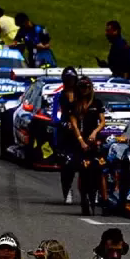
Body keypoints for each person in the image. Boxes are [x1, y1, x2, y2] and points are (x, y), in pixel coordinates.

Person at [68, 77, 107, 215]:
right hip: (80, 142)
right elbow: (74, 125)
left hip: (94, 141)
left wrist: (95, 133)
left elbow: (102, 122)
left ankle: (105, 200)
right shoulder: (74, 105)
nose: (84, 90)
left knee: (100, 169)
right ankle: (83, 198)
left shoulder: (97, 103)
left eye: (86, 87)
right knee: (81, 169)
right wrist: (81, 141)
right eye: (82, 87)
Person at [55, 67, 81, 205]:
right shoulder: (59, 96)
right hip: (65, 136)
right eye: (68, 80)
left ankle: (92, 193)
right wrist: (64, 124)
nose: (70, 83)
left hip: (80, 134)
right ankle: (67, 191)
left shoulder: (82, 95)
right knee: (67, 165)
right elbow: (55, 116)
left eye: (72, 80)